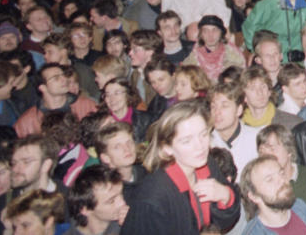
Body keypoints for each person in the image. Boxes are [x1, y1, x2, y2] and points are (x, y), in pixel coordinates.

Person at [122, 100, 240, 235]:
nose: (200, 146)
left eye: (203, 134)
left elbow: (225, 222)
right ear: (167, 148)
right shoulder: (154, 196)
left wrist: (226, 195)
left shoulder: (206, 164)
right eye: (187, 141)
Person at [14, 63, 98, 137]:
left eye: (63, 75)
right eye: (56, 78)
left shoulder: (88, 107)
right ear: (43, 87)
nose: (64, 80)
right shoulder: (27, 122)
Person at [239, 155, 306, 235]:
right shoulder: (254, 233)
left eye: (282, 173)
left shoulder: (299, 206)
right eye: (270, 179)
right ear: (254, 196)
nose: (281, 180)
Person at [208, 79, 261, 175]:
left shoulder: (257, 138)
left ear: (239, 110)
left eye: (224, 106)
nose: (217, 112)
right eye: (213, 107)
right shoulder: (205, 143)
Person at [66, 165, 128, 235]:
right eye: (111, 201)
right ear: (85, 209)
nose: (122, 203)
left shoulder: (130, 222)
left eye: (121, 194)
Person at [181, 15, 245, 83]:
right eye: (206, 31)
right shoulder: (193, 57)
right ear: (201, 34)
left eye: (215, 30)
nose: (210, 35)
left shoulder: (234, 55)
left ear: (221, 33)